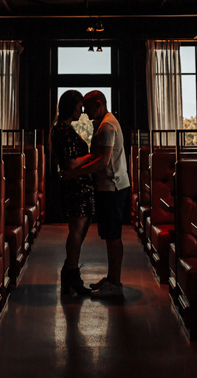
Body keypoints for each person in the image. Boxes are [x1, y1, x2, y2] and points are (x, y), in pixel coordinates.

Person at [63, 90, 130, 299]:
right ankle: (111, 279)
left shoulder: (107, 126)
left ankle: (115, 283)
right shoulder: (103, 123)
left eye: (88, 107)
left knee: (113, 237)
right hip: (111, 186)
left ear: (99, 104)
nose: (84, 112)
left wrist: (75, 172)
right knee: (111, 235)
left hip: (112, 187)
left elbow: (103, 161)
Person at [51, 89, 95, 296]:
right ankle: (72, 273)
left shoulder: (61, 128)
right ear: (71, 108)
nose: (82, 111)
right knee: (77, 230)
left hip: (77, 184)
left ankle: (70, 271)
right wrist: (92, 157)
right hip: (76, 186)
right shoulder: (63, 130)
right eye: (79, 107)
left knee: (78, 229)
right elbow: (69, 163)